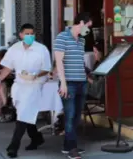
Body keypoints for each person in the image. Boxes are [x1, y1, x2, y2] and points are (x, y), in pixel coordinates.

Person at [0, 23, 52, 158]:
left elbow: (47, 69)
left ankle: (13, 147)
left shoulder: (41, 49)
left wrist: (36, 75)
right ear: (21, 35)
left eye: (32, 34)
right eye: (27, 34)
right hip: (19, 86)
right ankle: (37, 137)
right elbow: (7, 68)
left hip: (35, 85)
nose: (30, 36)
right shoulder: (14, 49)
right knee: (24, 113)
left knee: (23, 115)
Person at [54, 12, 93, 159]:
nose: (89, 29)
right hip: (68, 83)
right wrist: (63, 83)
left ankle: (68, 145)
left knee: (76, 116)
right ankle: (72, 149)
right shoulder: (62, 37)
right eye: (88, 26)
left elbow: (80, 62)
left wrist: (87, 78)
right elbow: (59, 62)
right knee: (69, 115)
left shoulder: (81, 41)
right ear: (81, 23)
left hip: (81, 82)